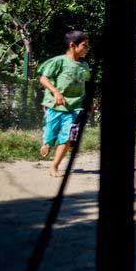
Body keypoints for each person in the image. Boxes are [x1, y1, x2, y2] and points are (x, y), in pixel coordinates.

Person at [38, 30, 92, 177]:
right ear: (72, 45)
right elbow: (43, 78)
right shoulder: (58, 61)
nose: (87, 48)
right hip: (54, 106)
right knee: (51, 132)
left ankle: (54, 166)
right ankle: (47, 143)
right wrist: (55, 92)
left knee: (68, 137)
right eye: (84, 45)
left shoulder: (84, 66)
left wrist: (89, 101)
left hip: (75, 107)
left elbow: (85, 85)